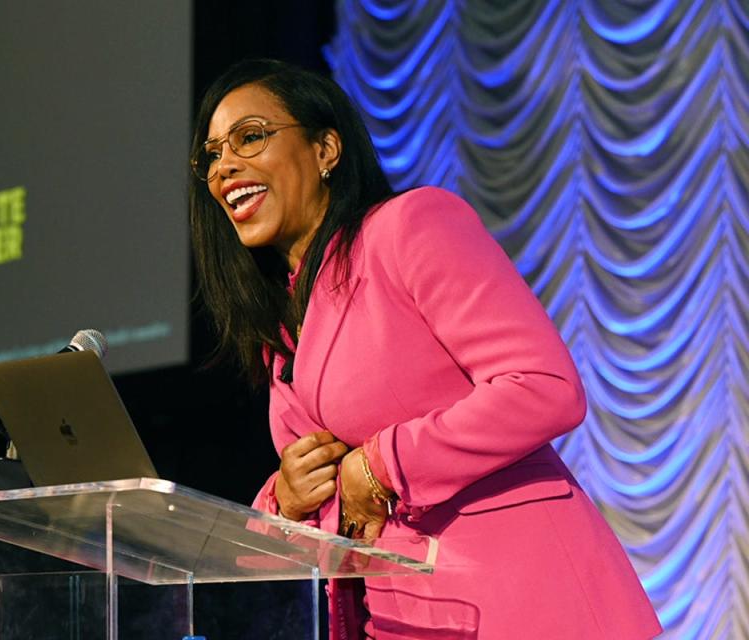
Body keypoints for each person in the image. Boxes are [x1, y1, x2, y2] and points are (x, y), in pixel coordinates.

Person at [189, 58, 662, 640]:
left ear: (326, 149)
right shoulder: (282, 328)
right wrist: (286, 500)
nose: (224, 166)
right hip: (398, 619)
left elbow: (545, 388)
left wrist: (385, 463)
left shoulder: (409, 226)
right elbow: (332, 509)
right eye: (211, 155)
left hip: (521, 601)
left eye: (250, 137)